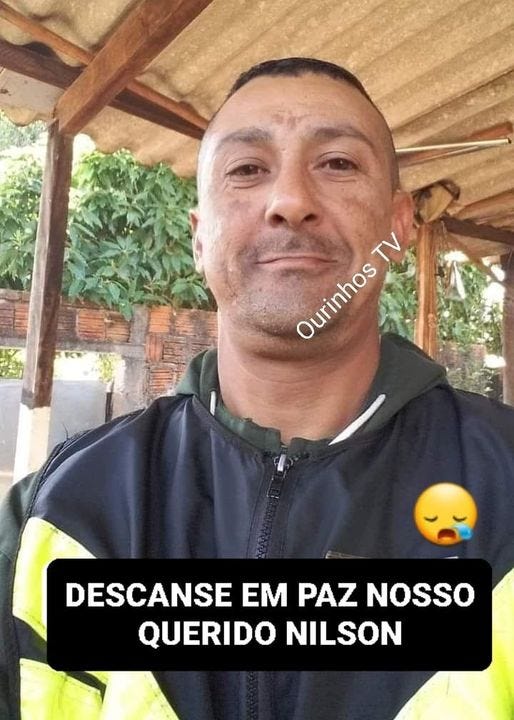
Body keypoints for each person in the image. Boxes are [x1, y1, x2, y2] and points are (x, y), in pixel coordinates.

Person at [0, 57, 513, 720]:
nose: (290, 200)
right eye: (247, 169)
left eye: (337, 163)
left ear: (396, 226)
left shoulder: (504, 482)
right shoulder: (62, 512)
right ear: (198, 239)